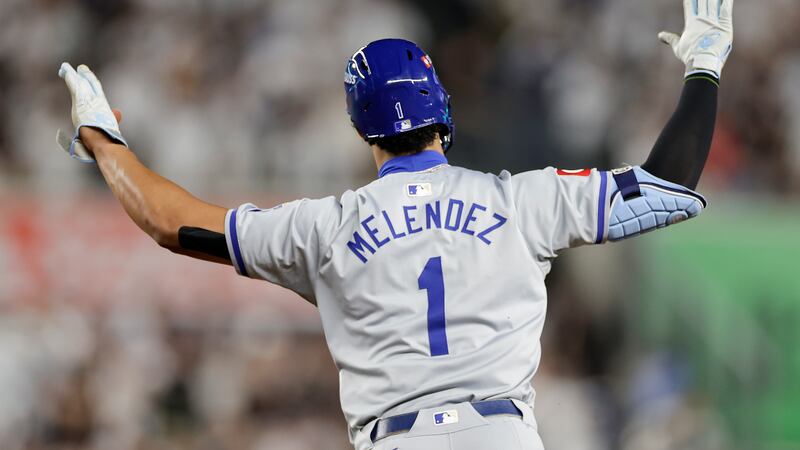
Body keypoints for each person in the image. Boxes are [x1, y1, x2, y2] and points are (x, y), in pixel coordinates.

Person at [55, 1, 733, 448]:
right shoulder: (522, 201)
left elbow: (170, 223)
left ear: (360, 127)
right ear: (441, 106)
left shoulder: (322, 228)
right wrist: (703, 64)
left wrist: (103, 139)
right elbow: (666, 185)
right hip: (500, 435)